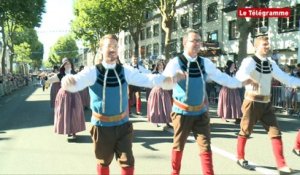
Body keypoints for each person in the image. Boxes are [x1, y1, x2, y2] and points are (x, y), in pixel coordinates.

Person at [60, 34, 183, 175]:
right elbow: (74, 83)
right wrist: (67, 81)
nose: (113, 50)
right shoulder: (92, 71)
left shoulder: (125, 70)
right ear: (101, 49)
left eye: (115, 47)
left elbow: (149, 79)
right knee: (103, 162)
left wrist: (171, 80)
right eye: (109, 46)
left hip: (123, 125)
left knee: (128, 162)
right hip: (101, 127)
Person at [162, 29, 252, 175]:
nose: (197, 43)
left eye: (199, 41)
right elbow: (163, 84)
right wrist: (174, 77)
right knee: (178, 146)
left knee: (205, 147)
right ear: (184, 43)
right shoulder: (175, 62)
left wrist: (241, 83)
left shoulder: (205, 62)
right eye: (193, 40)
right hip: (181, 113)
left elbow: (222, 78)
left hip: (201, 113)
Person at [235, 36, 300, 174]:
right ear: (256, 47)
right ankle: (240, 157)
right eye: (264, 44)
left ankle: (281, 165)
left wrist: (298, 82)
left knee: (275, 133)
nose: (267, 46)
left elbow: (285, 78)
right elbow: (240, 74)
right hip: (252, 102)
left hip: (266, 103)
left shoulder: (271, 63)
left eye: (268, 44)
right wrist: (247, 78)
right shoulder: (249, 61)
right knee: (245, 131)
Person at [47, 58, 86, 140]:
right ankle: (68, 131)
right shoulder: (60, 74)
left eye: (68, 64)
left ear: (71, 65)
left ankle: (74, 132)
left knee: (75, 113)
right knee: (65, 114)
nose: (67, 65)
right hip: (64, 96)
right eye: (65, 64)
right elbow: (50, 80)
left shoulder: (75, 74)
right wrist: (45, 80)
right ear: (63, 66)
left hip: (74, 95)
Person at [147, 59, 172, 128]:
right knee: (156, 107)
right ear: (157, 66)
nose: (161, 66)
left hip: (165, 91)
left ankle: (167, 121)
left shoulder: (166, 73)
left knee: (167, 107)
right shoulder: (154, 73)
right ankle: (155, 121)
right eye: (159, 65)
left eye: (162, 65)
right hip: (156, 91)